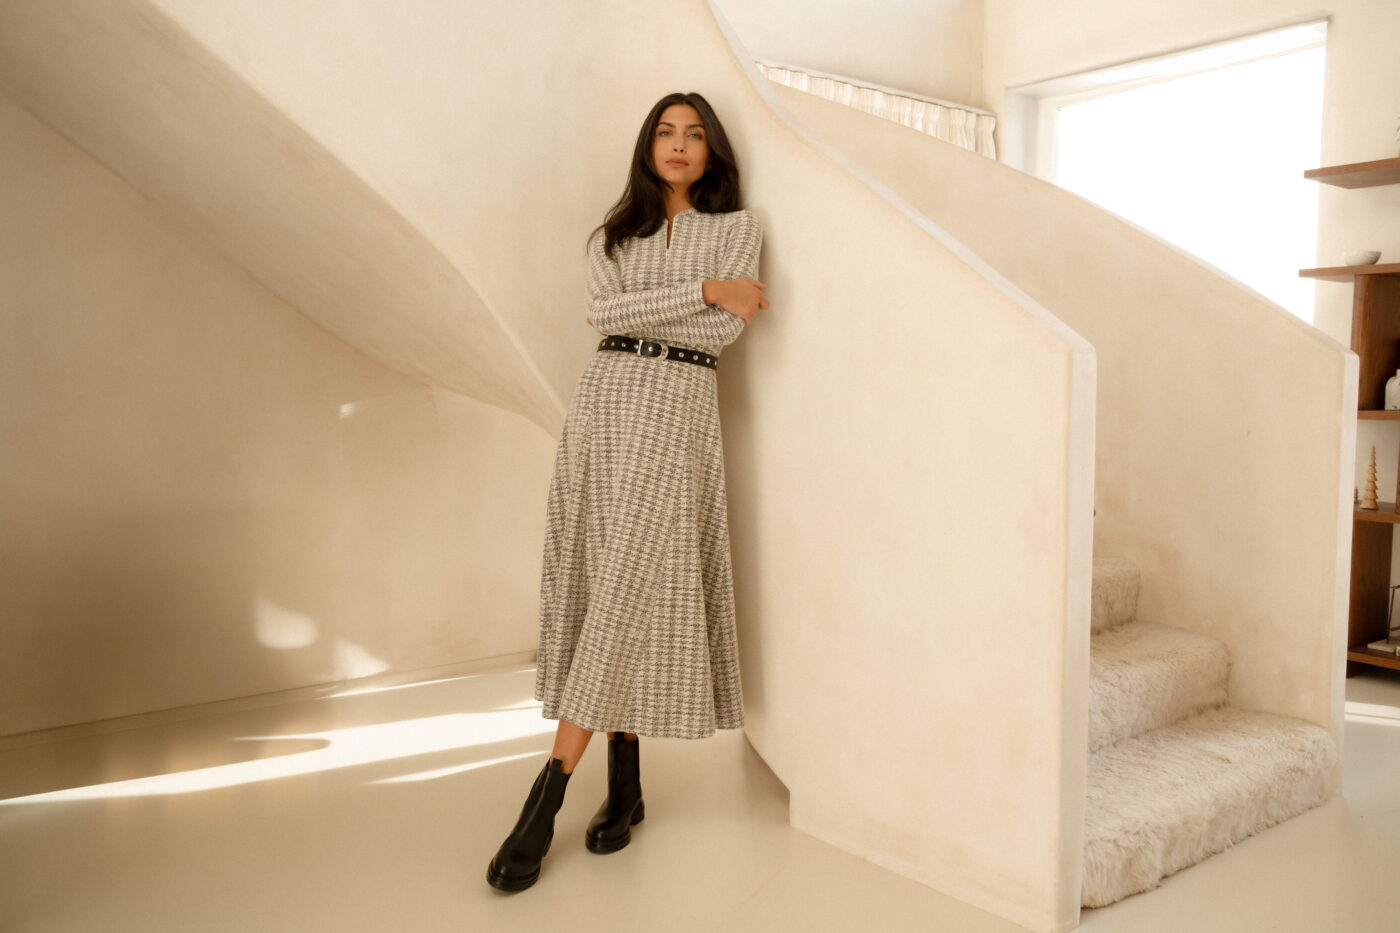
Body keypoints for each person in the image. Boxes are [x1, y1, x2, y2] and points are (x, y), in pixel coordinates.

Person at [486, 91, 768, 892]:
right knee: (608, 582)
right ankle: (626, 782)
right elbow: (598, 312)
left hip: (676, 413)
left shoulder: (739, 230)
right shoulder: (616, 233)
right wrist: (707, 290)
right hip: (606, 409)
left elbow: (721, 334)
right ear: (649, 147)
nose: (679, 146)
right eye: (666, 133)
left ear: (712, 151)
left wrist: (708, 304)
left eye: (695, 135)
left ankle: (544, 801)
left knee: (626, 592)